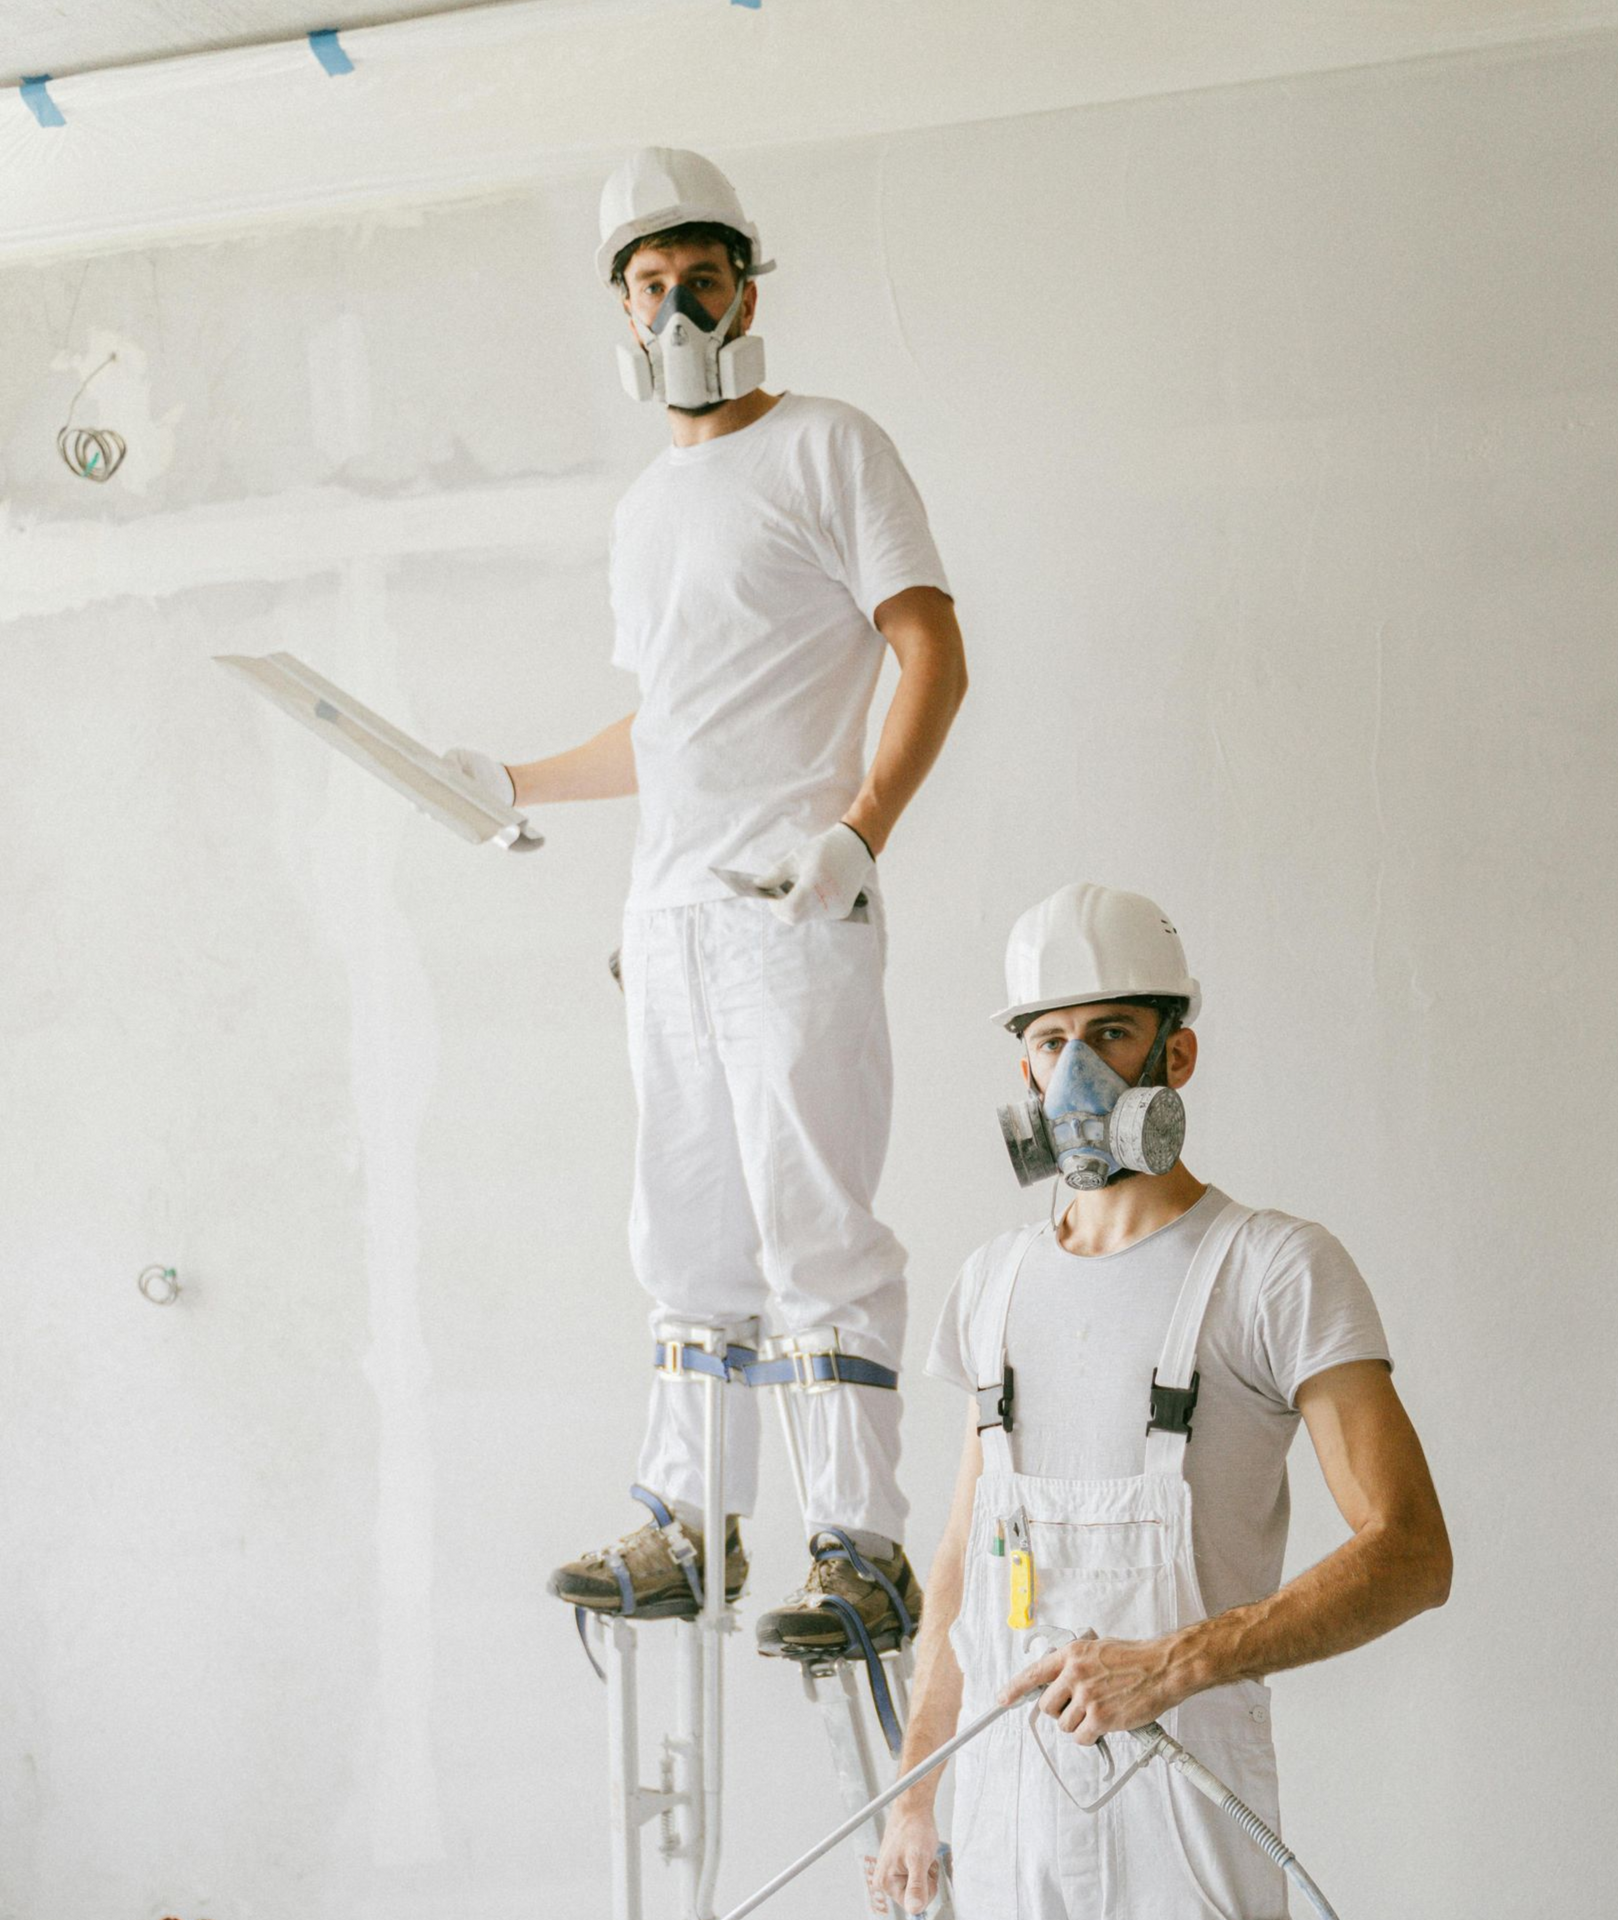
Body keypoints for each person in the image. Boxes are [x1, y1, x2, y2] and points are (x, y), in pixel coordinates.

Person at [444, 148, 967, 1658]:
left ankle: (859, 1550)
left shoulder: (828, 448)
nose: (678, 308)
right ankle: (688, 1524)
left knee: (816, 1231)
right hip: (667, 921)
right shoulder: (644, 512)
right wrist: (516, 780)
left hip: (790, 904)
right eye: (651, 286)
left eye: (703, 279)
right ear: (622, 309)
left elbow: (931, 652)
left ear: (748, 288)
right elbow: (670, 727)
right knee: (683, 1240)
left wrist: (859, 834)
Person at [872, 883, 1451, 1917]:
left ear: (1175, 1056)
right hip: (1005, 1829)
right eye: (1051, 1042)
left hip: (1184, 1829)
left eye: (1110, 1034)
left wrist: (1175, 1665)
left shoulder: (1274, 1270)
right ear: (1024, 1070)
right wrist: (917, 1794)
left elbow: (1412, 1553)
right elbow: (960, 1567)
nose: (1077, 1074)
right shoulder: (992, 1286)